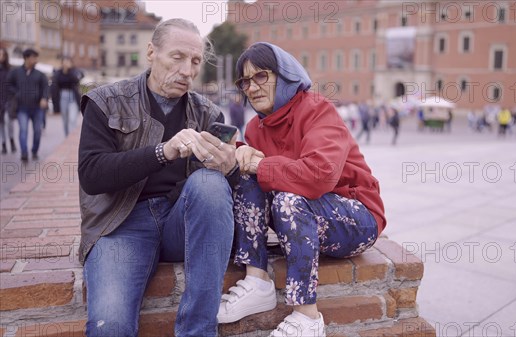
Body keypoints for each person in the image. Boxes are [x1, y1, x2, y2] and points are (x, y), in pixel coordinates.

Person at [77, 19, 239, 337]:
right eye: (177, 57)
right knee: (110, 326)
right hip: (119, 226)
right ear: (151, 52)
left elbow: (219, 202)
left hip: (181, 223)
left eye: (195, 62)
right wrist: (163, 152)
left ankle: (197, 332)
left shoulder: (208, 113)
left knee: (210, 183)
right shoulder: (106, 101)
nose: (188, 71)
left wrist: (229, 169)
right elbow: (92, 175)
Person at [217, 42, 386, 337]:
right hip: (305, 217)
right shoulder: (256, 127)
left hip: (357, 217)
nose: (251, 87)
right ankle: (257, 280)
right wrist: (240, 153)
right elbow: (260, 180)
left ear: (284, 75)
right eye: (245, 81)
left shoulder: (317, 109)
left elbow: (319, 176)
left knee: (287, 199)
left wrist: (261, 165)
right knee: (246, 176)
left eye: (261, 76)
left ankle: (307, 317)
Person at [7, 48, 48, 161]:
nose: (35, 60)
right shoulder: (15, 72)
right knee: (23, 130)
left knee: (37, 131)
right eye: (33, 57)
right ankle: (24, 153)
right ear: (26, 58)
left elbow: (45, 87)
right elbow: (8, 84)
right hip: (22, 108)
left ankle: (34, 151)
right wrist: (17, 94)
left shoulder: (40, 74)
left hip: (37, 108)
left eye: (36, 58)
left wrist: (44, 98)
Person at [52, 56, 83, 136]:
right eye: (64, 62)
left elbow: (77, 80)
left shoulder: (74, 72)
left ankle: (71, 137)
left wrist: (69, 71)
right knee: (65, 119)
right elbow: (54, 85)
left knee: (73, 119)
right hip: (62, 96)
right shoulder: (58, 73)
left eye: (68, 62)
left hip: (73, 96)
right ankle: (67, 136)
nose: (66, 64)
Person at [0, 47, 17, 154]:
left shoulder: (10, 70)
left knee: (9, 122)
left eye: (2, 54)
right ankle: (4, 144)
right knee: (1, 123)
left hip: (9, 100)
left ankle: (11, 140)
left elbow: (14, 85)